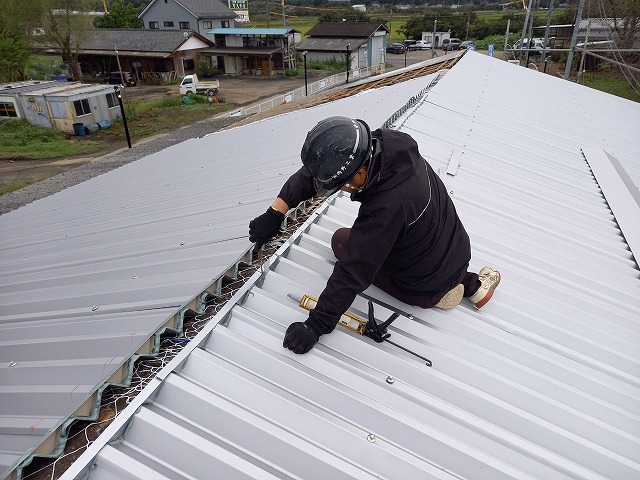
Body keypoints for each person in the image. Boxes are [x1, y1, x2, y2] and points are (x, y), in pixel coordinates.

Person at [249, 117, 500, 355]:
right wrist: (277, 211)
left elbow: (353, 270)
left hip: (423, 284)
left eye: (343, 185)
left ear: (359, 173)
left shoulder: (388, 207)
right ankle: (472, 284)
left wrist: (317, 324)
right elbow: (320, 168)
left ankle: (439, 293)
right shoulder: (391, 144)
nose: (344, 190)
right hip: (455, 247)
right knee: (399, 237)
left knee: (342, 242)